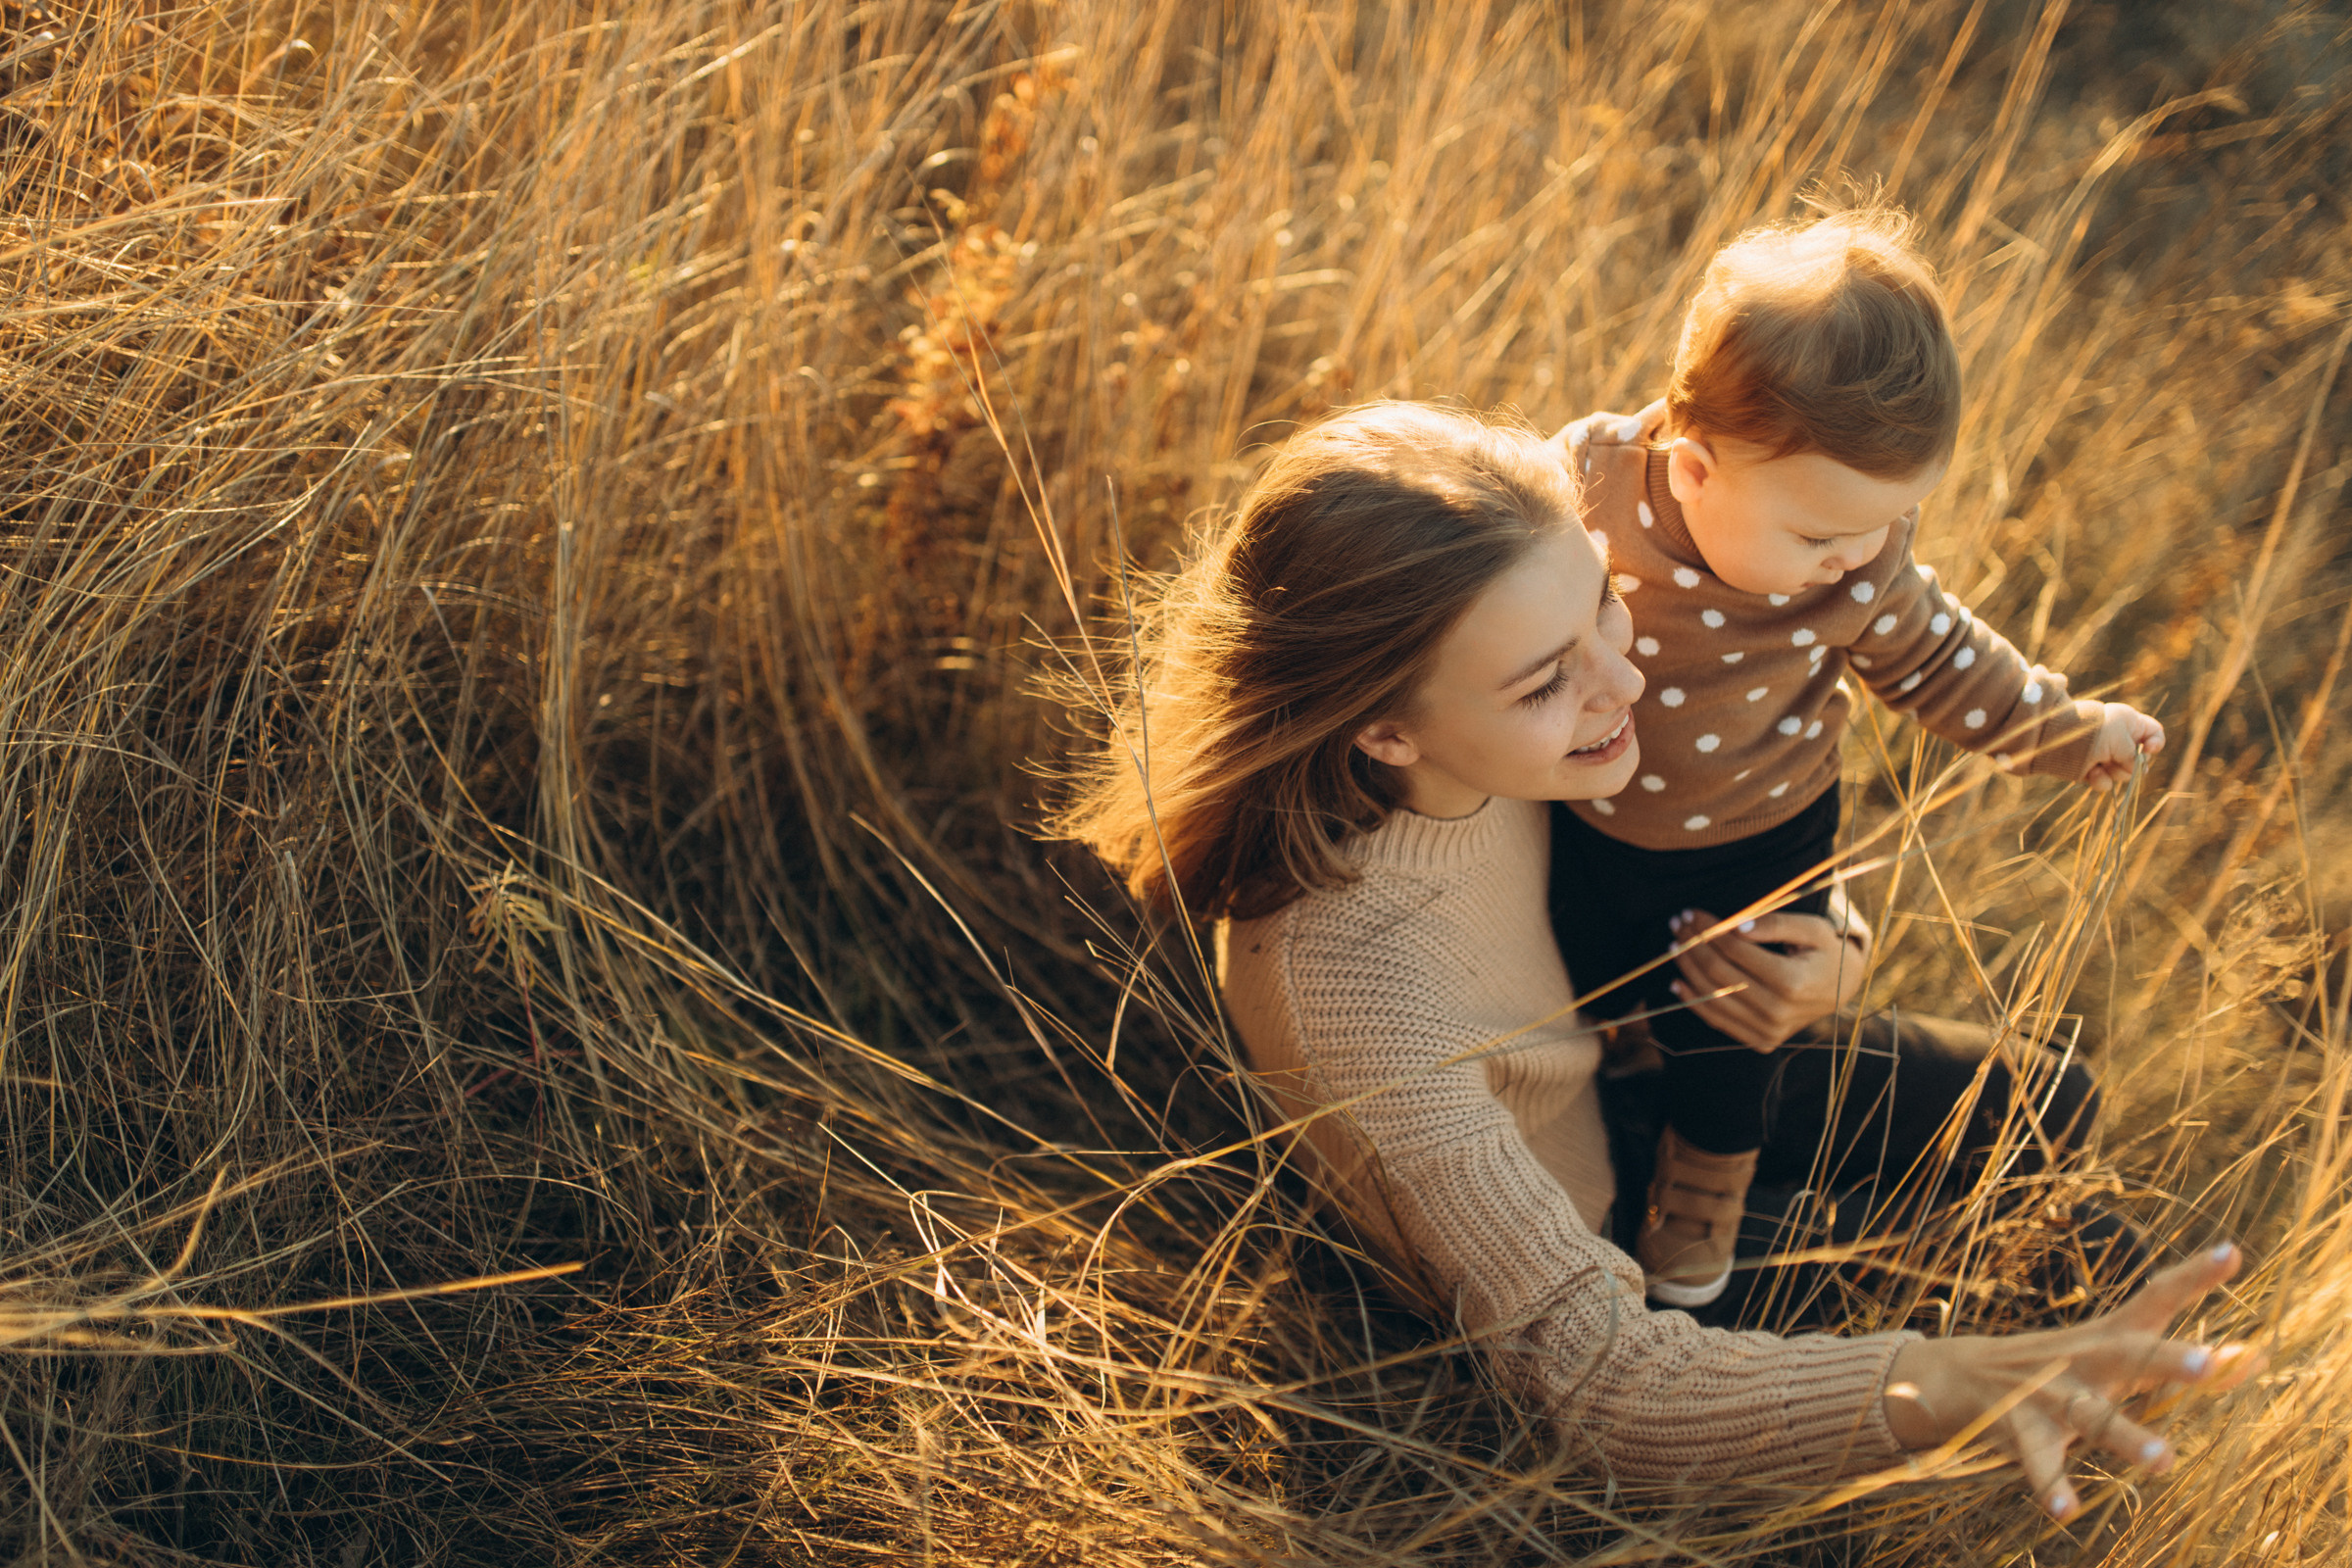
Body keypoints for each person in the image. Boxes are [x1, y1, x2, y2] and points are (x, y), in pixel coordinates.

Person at [1057, 400, 2252, 1509]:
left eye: (1606, 608)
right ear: (1382, 728)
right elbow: (1608, 1388)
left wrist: (1831, 958)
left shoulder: (1514, 724)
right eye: (1547, 681)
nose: (1627, 681)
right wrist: (1953, 1382)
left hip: (1648, 1056)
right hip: (1602, 1234)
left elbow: (1708, 858)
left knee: (2051, 1098)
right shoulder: (1354, 994)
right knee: (2074, 1271)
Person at [1551, 207, 2166, 1306]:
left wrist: (2071, 730)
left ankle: (1703, 1195)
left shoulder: (1857, 567)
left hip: (1759, 840)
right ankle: (1623, 1076)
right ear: (1692, 468)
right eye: (1825, 535)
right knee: (1590, 965)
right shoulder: (1586, 487)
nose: (1860, 559)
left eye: (1891, 523)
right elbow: (1480, 545)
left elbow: (1948, 662)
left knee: (1728, 1027)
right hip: (1588, 823)